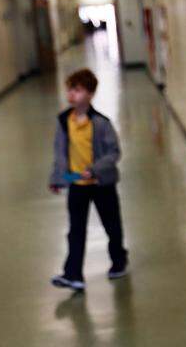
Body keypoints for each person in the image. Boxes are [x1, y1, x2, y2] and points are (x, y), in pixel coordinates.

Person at [49, 68, 128, 291]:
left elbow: (114, 153)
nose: (72, 94)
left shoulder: (101, 123)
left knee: (111, 225)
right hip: (77, 184)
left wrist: (94, 170)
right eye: (70, 90)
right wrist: (58, 178)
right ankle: (73, 274)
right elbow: (60, 152)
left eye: (77, 90)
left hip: (101, 183)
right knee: (76, 230)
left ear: (90, 94)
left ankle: (119, 259)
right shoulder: (64, 121)